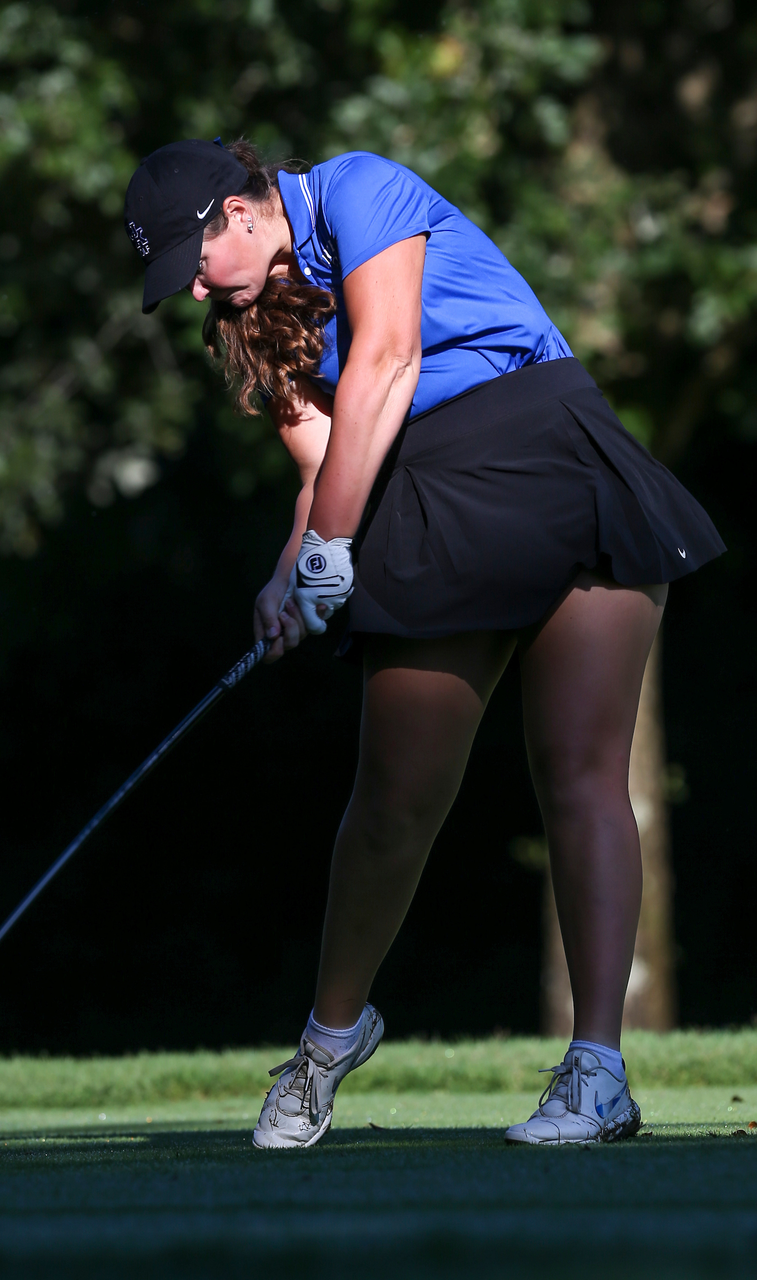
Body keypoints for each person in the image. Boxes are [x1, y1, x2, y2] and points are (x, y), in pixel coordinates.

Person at [123, 138, 724, 1149]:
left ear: (236, 211)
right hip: (427, 502)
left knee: (581, 773)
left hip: (557, 453)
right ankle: (326, 1042)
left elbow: (390, 356)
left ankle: (597, 1073)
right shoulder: (254, 316)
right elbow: (321, 463)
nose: (192, 290)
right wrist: (289, 572)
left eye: (191, 260)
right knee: (395, 801)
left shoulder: (362, 188)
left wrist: (329, 548)